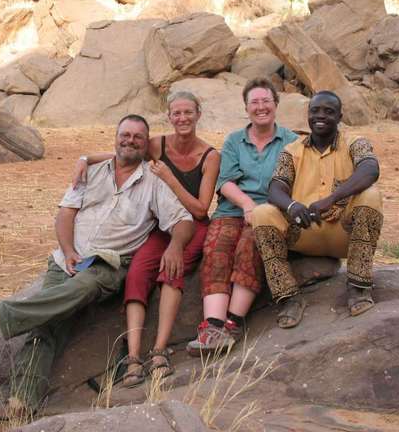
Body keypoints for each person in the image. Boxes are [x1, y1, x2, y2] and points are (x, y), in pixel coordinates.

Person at [0, 114, 194, 415]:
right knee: (48, 322)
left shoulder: (153, 181)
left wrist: (176, 246)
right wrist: (69, 250)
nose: (130, 141)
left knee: (83, 285)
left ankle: (1, 315)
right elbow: (65, 214)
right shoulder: (92, 170)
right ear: (115, 137)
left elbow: (183, 220)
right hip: (67, 258)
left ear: (145, 144)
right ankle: (20, 403)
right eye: (125, 134)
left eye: (138, 137)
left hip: (109, 263)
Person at [72, 91, 219, 386]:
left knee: (171, 271)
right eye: (176, 113)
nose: (182, 118)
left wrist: (169, 179)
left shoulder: (210, 155)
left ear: (198, 115)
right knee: (138, 271)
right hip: (161, 224)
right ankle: (134, 358)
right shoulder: (157, 144)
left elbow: (201, 208)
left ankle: (160, 351)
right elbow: (122, 154)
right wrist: (85, 158)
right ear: (169, 117)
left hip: (192, 225)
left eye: (188, 112)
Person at [250, 90, 382, 328]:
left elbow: (370, 170)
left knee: (371, 196)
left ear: (340, 116)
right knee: (261, 213)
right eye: (315, 111)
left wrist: (332, 198)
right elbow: (275, 188)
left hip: (345, 233)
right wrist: (292, 205)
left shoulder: (355, 143)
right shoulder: (292, 150)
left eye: (329, 112)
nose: (321, 116)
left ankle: (358, 287)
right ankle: (289, 297)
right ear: (308, 115)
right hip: (304, 233)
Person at [186, 77, 298, 356]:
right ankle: (212, 327)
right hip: (232, 209)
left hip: (270, 212)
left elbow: (292, 182)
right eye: (254, 102)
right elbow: (225, 182)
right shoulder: (235, 140)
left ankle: (232, 325)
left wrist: (260, 211)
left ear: (276, 104)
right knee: (217, 247)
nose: (261, 107)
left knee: (250, 245)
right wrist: (248, 205)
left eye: (266, 101)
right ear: (246, 108)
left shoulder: (291, 141)